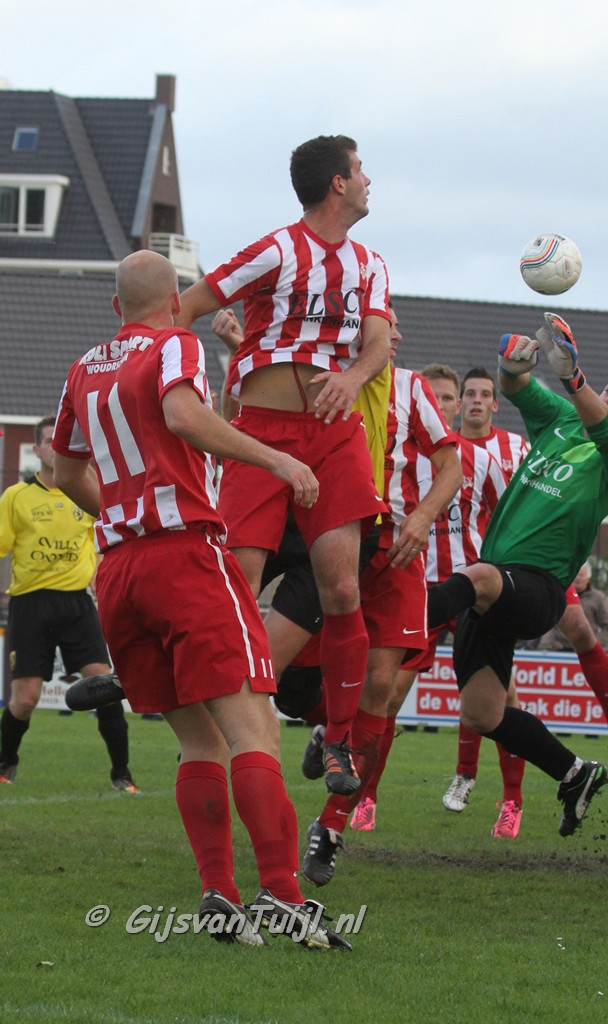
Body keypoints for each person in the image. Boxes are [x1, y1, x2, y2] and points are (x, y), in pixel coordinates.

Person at [52, 249, 350, 951]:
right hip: (185, 555)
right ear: (174, 301)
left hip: (118, 572)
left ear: (116, 307)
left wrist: (120, 515)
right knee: (254, 732)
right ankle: (283, 895)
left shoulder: (83, 367)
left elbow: (63, 470)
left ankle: (218, 892)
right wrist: (277, 458)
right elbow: (183, 416)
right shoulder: (175, 343)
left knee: (197, 742)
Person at [177, 135, 391, 799]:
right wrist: (165, 376)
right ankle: (205, 714)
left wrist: (351, 376)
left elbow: (378, 342)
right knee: (235, 588)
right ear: (337, 183)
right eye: (360, 169)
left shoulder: (370, 264)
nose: (368, 179)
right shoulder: (274, 251)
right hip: (260, 439)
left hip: (334, 438)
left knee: (342, 590)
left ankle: (337, 739)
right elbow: (187, 306)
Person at [427, 314, 608, 839]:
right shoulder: (561, 420)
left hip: (539, 589)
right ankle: (575, 773)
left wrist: (574, 379)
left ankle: (388, 621)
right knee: (482, 714)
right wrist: (512, 362)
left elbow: (602, 426)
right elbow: (515, 387)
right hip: (496, 587)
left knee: (478, 577)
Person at [301, 309, 462, 885]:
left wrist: (421, 517)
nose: (390, 334)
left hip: (395, 554)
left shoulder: (412, 388)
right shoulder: (317, 381)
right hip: (332, 547)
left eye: (391, 325)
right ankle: (327, 729)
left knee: (383, 689)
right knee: (297, 683)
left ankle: (330, 826)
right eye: (377, 323)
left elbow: (451, 466)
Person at [348, 363, 509, 833]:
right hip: (420, 587)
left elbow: (507, 514)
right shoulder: (397, 454)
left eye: (447, 399)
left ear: (456, 407)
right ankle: (366, 796)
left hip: (470, 588)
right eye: (432, 398)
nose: (439, 406)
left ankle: (510, 798)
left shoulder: (479, 460)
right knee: (387, 693)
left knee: (499, 698)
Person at [0, 416, 137, 792]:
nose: (54, 447)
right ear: (37, 449)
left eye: (58, 441)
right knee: (25, 699)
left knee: (103, 682)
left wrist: (104, 571)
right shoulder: (16, 497)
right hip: (30, 604)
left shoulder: (86, 491)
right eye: (47, 441)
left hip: (77, 604)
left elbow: (110, 535)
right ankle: (5, 762)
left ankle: (122, 775)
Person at [550, 562, 608, 650]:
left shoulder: (597, 598)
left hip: (585, 649)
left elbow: (607, 626)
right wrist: (553, 641)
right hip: (562, 649)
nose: (578, 578)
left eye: (581, 575)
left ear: (588, 578)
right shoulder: (560, 594)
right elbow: (551, 621)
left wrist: (595, 643)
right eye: (576, 575)